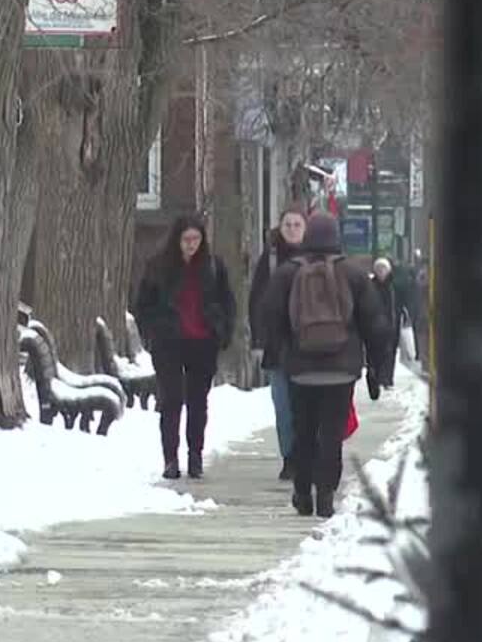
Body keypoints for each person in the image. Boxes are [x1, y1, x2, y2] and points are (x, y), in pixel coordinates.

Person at [256, 215, 395, 518]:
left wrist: (282, 350)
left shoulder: (287, 274)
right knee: (331, 432)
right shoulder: (354, 275)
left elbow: (269, 315)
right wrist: (375, 365)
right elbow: (375, 323)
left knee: (303, 429)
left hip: (300, 367)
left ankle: (302, 492)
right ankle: (327, 494)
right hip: (341, 368)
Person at [131, 215, 237, 480]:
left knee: (198, 401)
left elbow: (227, 302)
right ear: (177, 240)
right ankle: (170, 458)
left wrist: (222, 330)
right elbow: (143, 305)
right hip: (169, 343)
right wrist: (153, 331)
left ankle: (195, 456)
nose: (192, 245)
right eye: (187, 240)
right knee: (171, 400)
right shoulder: (159, 268)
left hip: (203, 341)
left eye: (196, 240)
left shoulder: (213, 267)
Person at [248, 207, 309, 480]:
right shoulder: (271, 259)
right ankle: (290, 457)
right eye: (288, 224)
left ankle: (307, 455)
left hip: (310, 345)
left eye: (298, 224)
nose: (293, 229)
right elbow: (256, 300)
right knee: (283, 406)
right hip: (278, 345)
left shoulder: (316, 258)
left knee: (306, 405)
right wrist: (259, 338)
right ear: (280, 228)